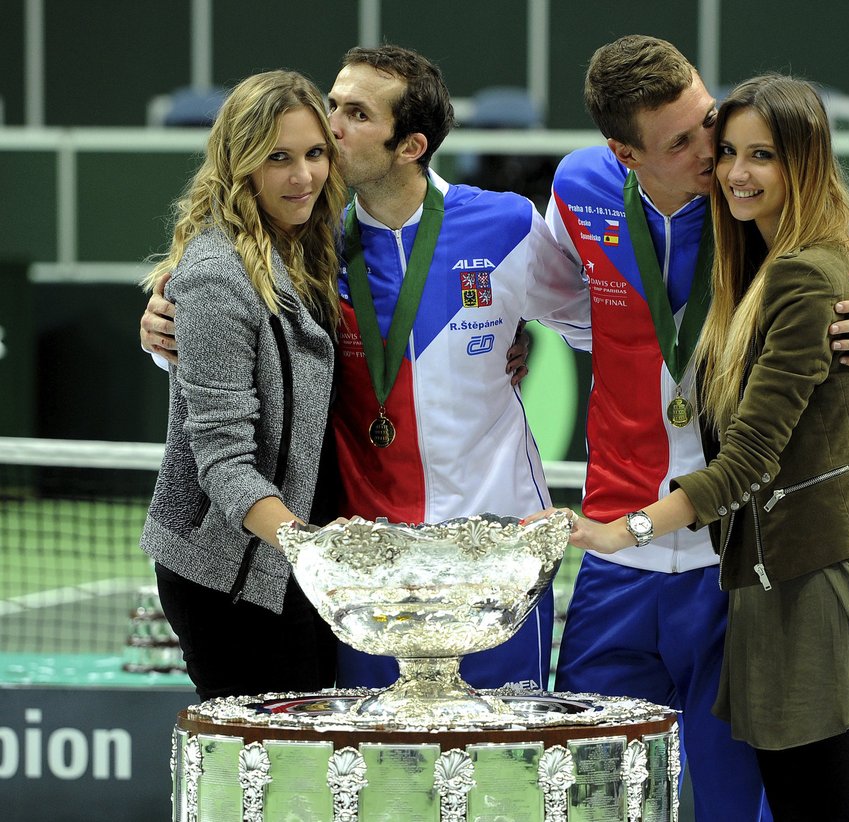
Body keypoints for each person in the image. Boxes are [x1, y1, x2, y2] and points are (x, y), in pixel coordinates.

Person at [140, 45, 592, 692]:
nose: (330, 128)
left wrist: (511, 329)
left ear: (409, 146)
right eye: (332, 106)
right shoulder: (312, 247)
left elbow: (595, 321)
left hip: (498, 558)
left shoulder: (506, 225)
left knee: (502, 772)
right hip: (371, 574)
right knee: (382, 781)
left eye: (354, 113)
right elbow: (240, 339)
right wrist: (161, 332)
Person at [543, 36, 849, 821]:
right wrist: (544, 339)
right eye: (684, 143)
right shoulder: (580, 188)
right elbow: (535, 291)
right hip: (633, 552)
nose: (716, 155)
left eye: (708, 122)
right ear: (624, 154)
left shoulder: (766, 222)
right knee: (592, 795)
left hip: (736, 553)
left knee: (748, 798)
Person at [139, 70, 347, 701]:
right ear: (241, 164)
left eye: (315, 154)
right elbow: (224, 462)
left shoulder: (313, 246)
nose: (302, 176)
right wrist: (314, 549)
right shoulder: (214, 275)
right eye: (278, 158)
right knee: (264, 784)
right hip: (231, 575)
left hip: (296, 566)